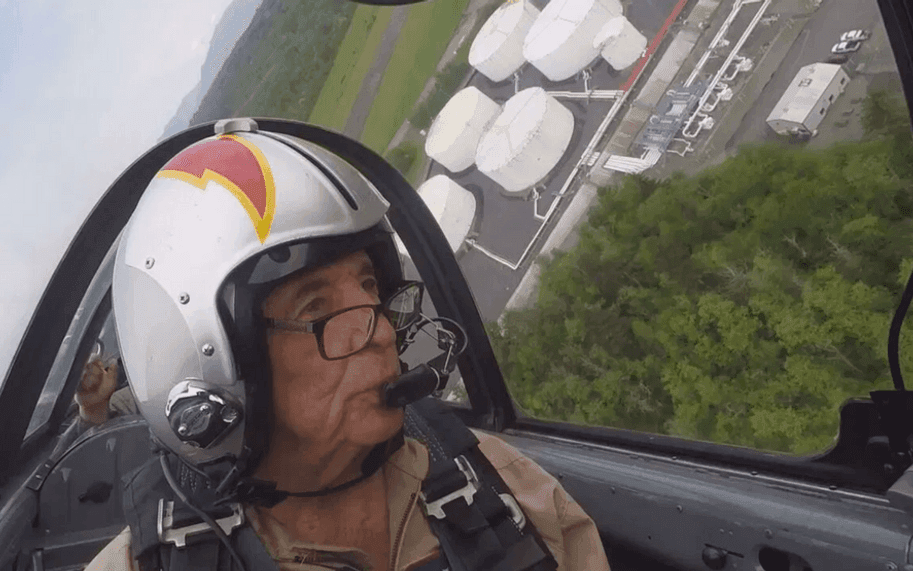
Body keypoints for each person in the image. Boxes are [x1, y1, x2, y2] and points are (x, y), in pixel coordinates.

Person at [84, 122, 611, 571]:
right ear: (216, 370)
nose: (380, 331)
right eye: (316, 309)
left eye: (369, 286)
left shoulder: (488, 479)